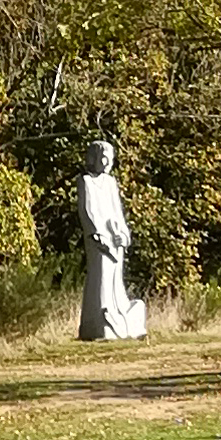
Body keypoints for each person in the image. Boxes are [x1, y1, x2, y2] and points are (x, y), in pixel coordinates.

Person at [79, 137, 148, 340]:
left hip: (114, 238)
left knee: (116, 278)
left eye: (110, 158)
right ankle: (98, 324)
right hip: (99, 240)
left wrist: (123, 235)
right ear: (94, 158)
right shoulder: (86, 181)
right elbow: (88, 211)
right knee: (100, 277)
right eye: (103, 158)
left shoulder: (110, 182)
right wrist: (98, 235)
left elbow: (117, 212)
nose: (107, 162)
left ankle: (121, 320)